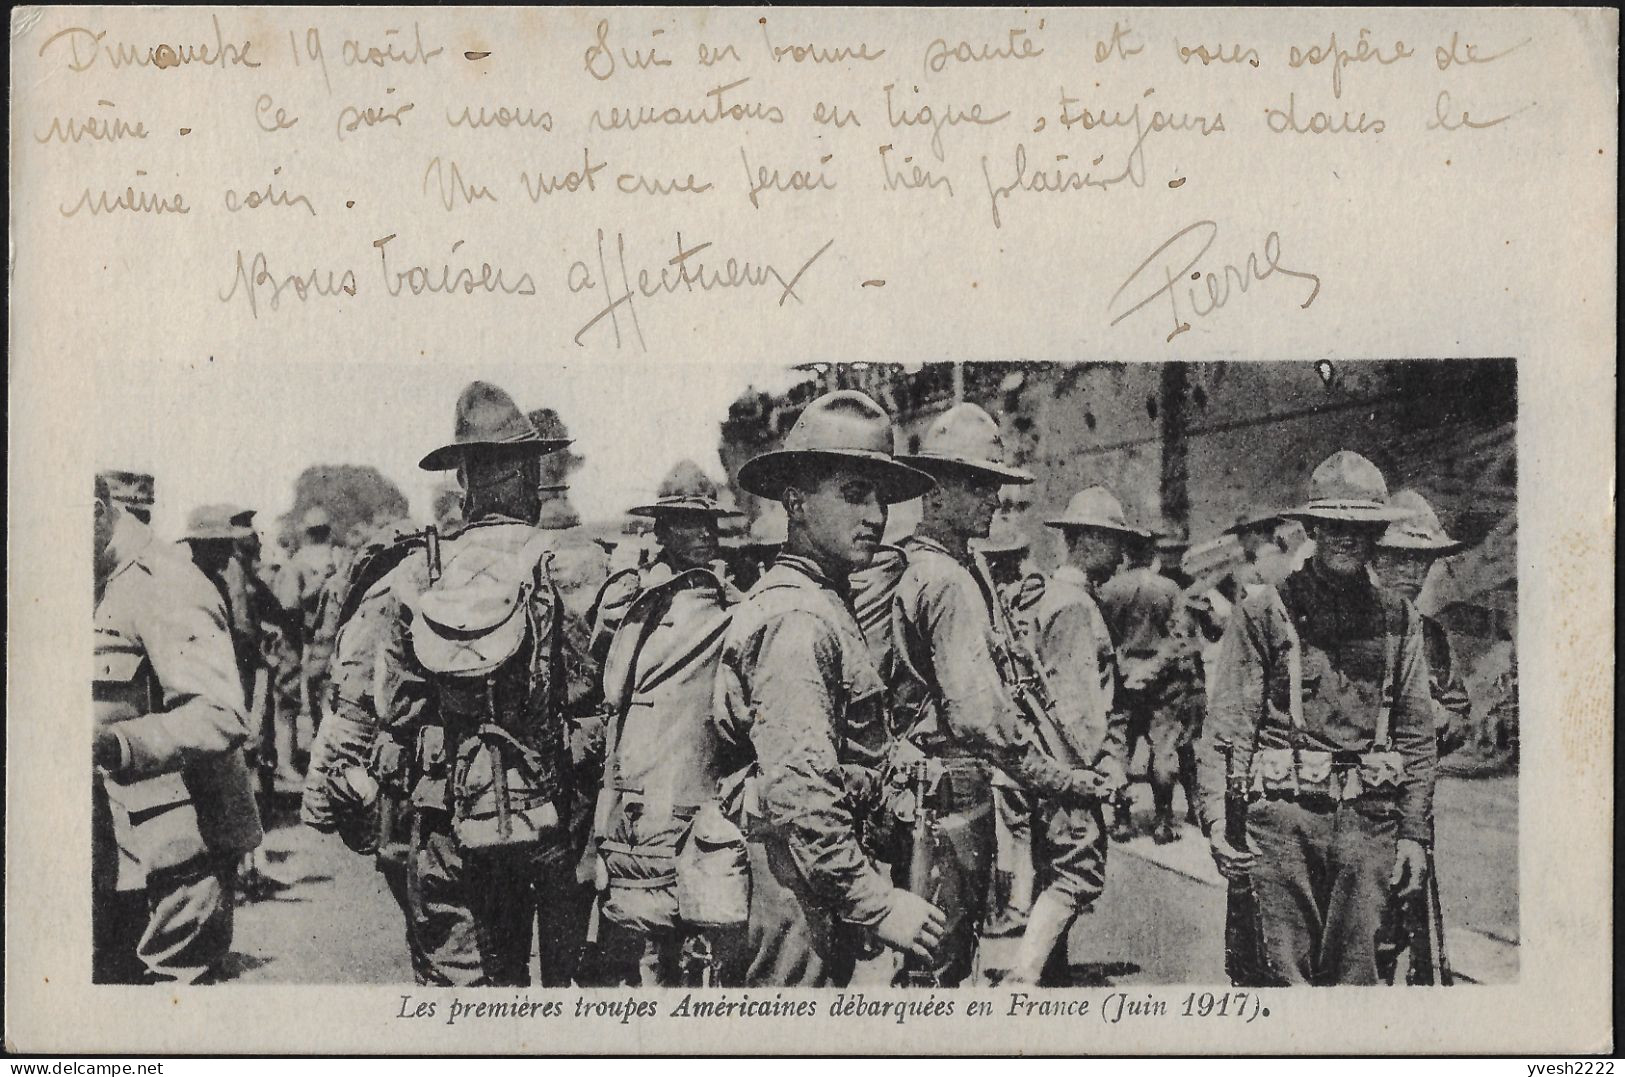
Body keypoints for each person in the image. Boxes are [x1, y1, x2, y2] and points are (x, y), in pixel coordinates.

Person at [303, 381, 589, 987]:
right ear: (529, 475)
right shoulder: (572, 569)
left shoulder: (410, 576)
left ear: (465, 479)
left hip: (444, 818)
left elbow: (374, 704)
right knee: (566, 997)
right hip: (553, 815)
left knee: (463, 992)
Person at [872, 404, 1121, 987]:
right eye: (980, 485)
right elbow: (980, 717)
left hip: (927, 788)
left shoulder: (935, 564)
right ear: (934, 493)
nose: (996, 500)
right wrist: (1061, 779)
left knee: (929, 958)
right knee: (939, 966)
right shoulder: (950, 580)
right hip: (949, 790)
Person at [713, 390, 947, 987]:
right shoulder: (799, 620)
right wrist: (877, 902)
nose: (875, 515)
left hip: (804, 879)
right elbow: (800, 791)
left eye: (882, 498)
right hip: (791, 889)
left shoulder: (820, 599)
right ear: (795, 501)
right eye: (852, 494)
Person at [1198, 451, 1437, 986]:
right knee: (1281, 984)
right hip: (1282, 825)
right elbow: (1229, 726)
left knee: (1359, 983)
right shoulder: (1265, 610)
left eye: (1361, 526)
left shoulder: (1399, 620)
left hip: (1369, 828)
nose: (1347, 538)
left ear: (1377, 534)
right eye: (1333, 526)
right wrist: (1217, 818)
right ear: (1311, 528)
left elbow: (1417, 736)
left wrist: (1414, 834)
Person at [93, 475, 263, 983]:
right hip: (105, 856)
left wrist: (120, 744)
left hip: (174, 866)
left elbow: (221, 713)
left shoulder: (165, 581)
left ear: (96, 508)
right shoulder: (89, 578)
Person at [587, 472, 745, 985]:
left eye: (708, 524)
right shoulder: (641, 601)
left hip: (689, 779)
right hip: (651, 784)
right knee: (649, 933)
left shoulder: (718, 599)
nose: (704, 535)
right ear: (662, 530)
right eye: (688, 524)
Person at [999, 486, 1139, 984]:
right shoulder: (1077, 607)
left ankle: (1047, 972)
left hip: (1031, 762)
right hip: (1062, 765)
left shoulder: (1039, 594)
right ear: (1091, 541)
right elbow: (1076, 711)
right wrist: (1094, 773)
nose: (1123, 555)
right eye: (1115, 541)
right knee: (1079, 872)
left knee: (1048, 869)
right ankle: (1025, 976)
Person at [1100, 529, 1200, 844]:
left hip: (1122, 681)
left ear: (1127, 554)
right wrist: (1152, 668)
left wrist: (1126, 670)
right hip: (1164, 684)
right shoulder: (1170, 589)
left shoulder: (1109, 590)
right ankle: (1164, 821)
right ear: (1153, 554)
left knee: (1118, 750)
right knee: (1164, 751)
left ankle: (1121, 820)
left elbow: (1102, 641)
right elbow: (1179, 639)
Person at [275, 506, 341, 771]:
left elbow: (291, 605)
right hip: (320, 644)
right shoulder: (334, 562)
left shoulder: (301, 563)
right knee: (321, 708)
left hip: (314, 646)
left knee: (316, 709)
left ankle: (317, 764)